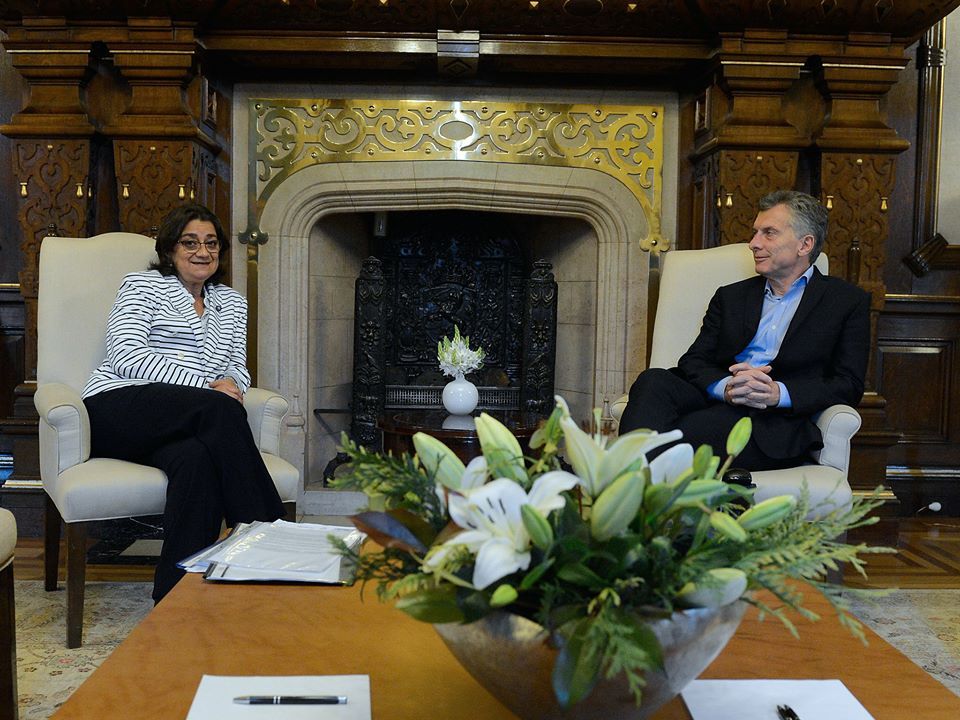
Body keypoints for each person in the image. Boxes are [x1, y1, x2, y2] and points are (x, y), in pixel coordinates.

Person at [82, 203, 286, 602]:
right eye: (190, 242)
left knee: (197, 461)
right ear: (170, 248)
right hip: (118, 407)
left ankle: (174, 595)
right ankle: (268, 536)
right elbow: (126, 355)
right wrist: (208, 388)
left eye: (211, 243)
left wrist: (232, 385)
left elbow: (237, 366)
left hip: (185, 422)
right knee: (218, 408)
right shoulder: (142, 286)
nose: (202, 252)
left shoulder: (231, 302)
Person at [619, 190, 870, 471]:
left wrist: (777, 393)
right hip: (716, 398)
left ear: (805, 244)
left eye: (768, 233)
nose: (753, 243)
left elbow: (848, 384)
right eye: (755, 232)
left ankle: (625, 482)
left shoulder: (846, 302)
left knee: (676, 432)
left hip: (772, 421)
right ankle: (633, 479)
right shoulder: (731, 297)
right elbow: (694, 361)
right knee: (653, 380)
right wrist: (726, 387)